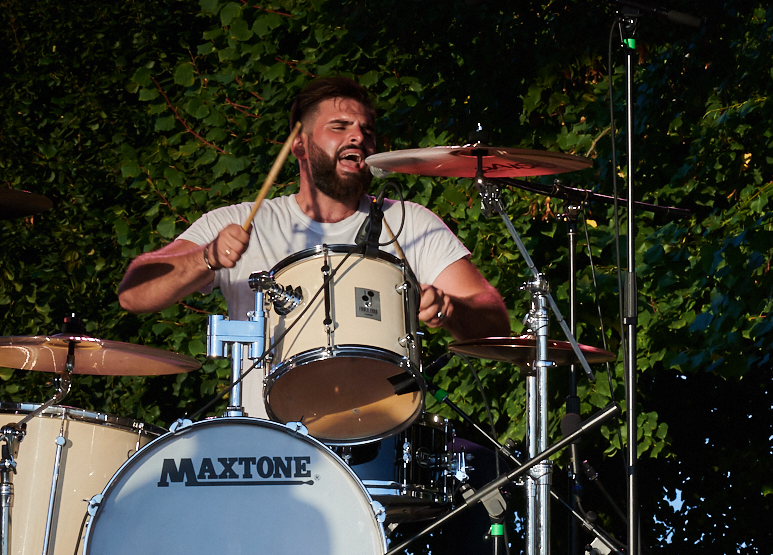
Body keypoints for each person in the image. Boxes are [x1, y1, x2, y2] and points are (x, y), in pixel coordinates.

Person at [117, 75, 507, 408]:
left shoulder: (408, 222)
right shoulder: (240, 222)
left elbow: (496, 325)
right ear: (299, 145)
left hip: (377, 440)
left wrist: (450, 309)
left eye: (367, 131)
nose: (358, 136)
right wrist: (206, 257)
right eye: (339, 127)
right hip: (265, 450)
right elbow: (134, 293)